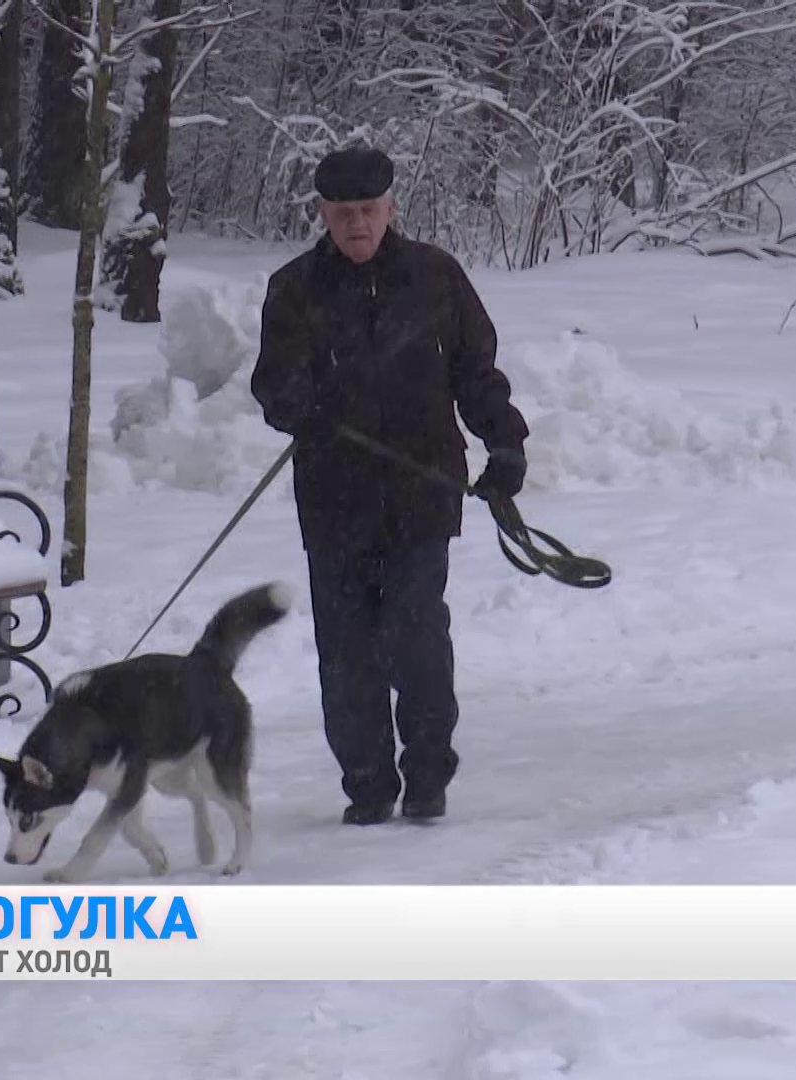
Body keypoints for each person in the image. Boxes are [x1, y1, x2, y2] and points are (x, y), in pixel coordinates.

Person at [250, 145, 530, 825]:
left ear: (390, 207)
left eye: (368, 211)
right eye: (343, 213)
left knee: (417, 640)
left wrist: (505, 440)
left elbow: (476, 370)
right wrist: (304, 406)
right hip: (333, 499)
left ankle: (428, 774)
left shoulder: (435, 278)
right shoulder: (294, 290)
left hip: (422, 495)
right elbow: (272, 388)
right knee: (346, 652)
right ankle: (367, 783)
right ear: (322, 214)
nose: (357, 226)